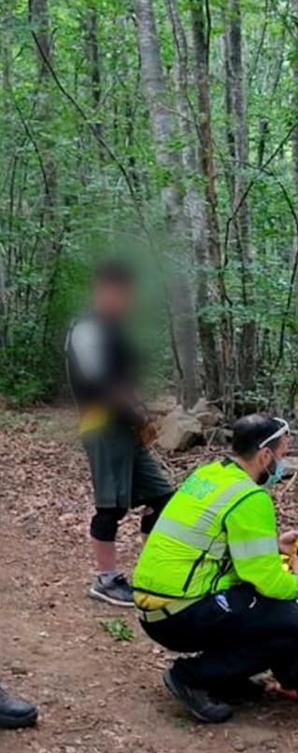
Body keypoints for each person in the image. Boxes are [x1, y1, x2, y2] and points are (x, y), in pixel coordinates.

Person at [132, 415, 298, 723]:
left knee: (257, 606)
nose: (282, 465)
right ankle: (192, 677)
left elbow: (213, 539)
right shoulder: (250, 496)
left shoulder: (209, 475)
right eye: (281, 455)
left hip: (154, 607)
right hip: (182, 611)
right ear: (265, 455)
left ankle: (226, 676)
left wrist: (273, 544)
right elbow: (266, 580)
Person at [65, 260, 173, 606]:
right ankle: (106, 580)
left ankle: (150, 572)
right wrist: (138, 415)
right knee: (110, 507)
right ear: (102, 290)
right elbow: (102, 383)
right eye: (119, 292)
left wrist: (140, 412)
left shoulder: (115, 329)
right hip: (102, 426)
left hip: (124, 427)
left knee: (162, 498)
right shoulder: (87, 328)